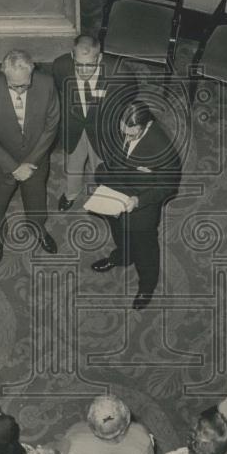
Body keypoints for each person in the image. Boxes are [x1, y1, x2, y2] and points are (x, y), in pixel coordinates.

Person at [91, 99, 181, 310]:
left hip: (142, 206)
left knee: (145, 249)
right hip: (115, 194)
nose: (126, 137)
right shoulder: (122, 126)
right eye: (124, 131)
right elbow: (115, 154)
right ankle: (122, 256)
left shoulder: (163, 148)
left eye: (132, 134)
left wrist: (138, 200)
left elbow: (168, 186)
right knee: (119, 233)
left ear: (146, 124)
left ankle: (147, 285)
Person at [0, 49, 60, 264]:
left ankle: (38, 228)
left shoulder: (47, 83)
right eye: (15, 86)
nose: (21, 90)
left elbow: (52, 125)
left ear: (33, 71)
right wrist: (13, 167)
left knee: (37, 198)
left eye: (26, 84)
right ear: (3, 73)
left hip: (35, 159)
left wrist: (30, 161)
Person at [51, 35, 137, 211]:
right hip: (73, 127)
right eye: (79, 65)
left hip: (102, 128)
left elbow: (130, 92)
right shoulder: (61, 65)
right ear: (72, 56)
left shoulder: (118, 71)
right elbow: (59, 88)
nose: (83, 71)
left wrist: (119, 117)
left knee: (100, 165)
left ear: (99, 58)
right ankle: (71, 194)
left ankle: (99, 195)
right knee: (73, 164)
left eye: (89, 65)